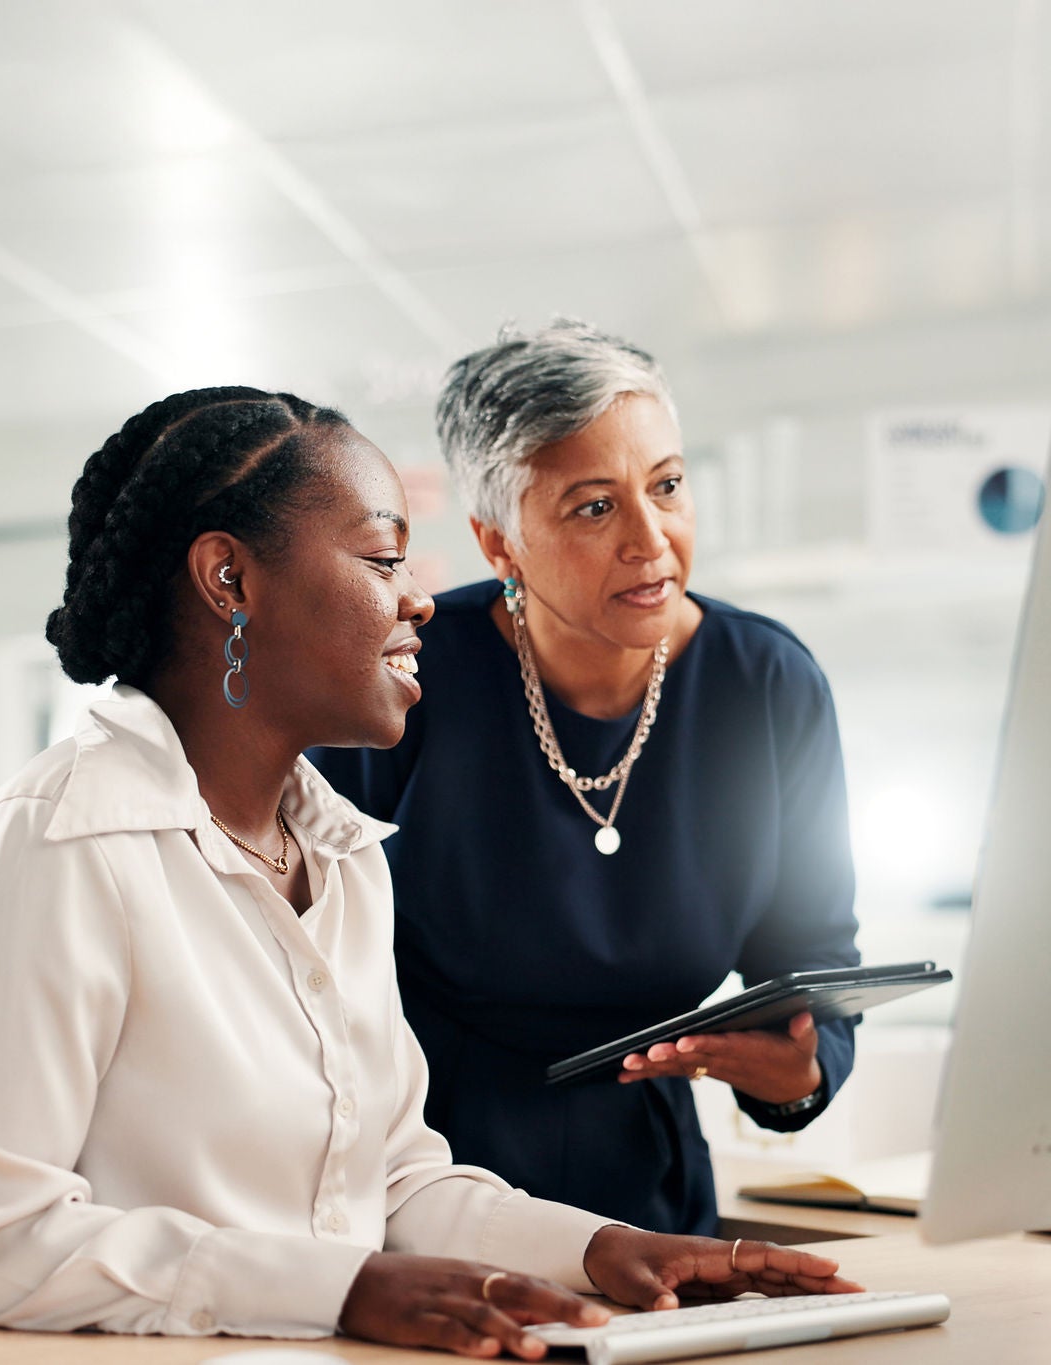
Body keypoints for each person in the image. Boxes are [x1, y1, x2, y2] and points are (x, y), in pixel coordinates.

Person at [0, 387, 858, 1356]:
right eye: (381, 560)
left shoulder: (343, 852)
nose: (418, 601)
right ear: (228, 580)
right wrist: (342, 1289)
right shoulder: (63, 841)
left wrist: (605, 1249)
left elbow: (395, 1181)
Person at [312, 322, 862, 1237]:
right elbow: (303, 963)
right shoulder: (404, 674)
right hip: (424, 1183)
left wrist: (801, 1073)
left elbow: (814, 964)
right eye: (594, 507)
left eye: (669, 486)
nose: (653, 540)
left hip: (652, 1190)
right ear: (500, 543)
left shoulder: (767, 684)